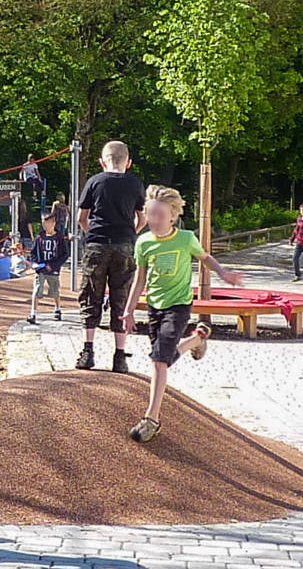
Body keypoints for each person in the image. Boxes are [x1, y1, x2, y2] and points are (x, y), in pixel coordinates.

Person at [122, 185, 244, 442]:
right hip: (154, 307)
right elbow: (140, 278)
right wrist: (129, 310)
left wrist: (223, 274)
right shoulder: (143, 242)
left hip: (178, 306)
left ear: (172, 216)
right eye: (150, 214)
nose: (154, 220)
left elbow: (205, 257)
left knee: (158, 360)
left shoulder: (186, 238)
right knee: (162, 358)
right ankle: (197, 339)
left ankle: (151, 418)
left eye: (160, 215)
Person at [76, 140, 146, 373]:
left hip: (96, 244)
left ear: (102, 162)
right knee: (121, 296)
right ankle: (119, 356)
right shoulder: (135, 183)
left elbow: (81, 218)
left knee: (90, 295)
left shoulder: (94, 181)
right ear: (128, 162)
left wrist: (92, 234)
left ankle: (88, 351)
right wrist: (130, 234)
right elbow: (142, 218)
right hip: (124, 245)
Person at [28, 212, 70, 324]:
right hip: (41, 269)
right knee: (37, 289)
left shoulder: (59, 238)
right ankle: (33, 313)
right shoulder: (39, 238)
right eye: (43, 223)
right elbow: (33, 253)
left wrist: (54, 266)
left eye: (48, 223)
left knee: (55, 290)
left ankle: (57, 308)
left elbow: (65, 254)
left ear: (53, 223)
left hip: (53, 269)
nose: (45, 225)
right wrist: (35, 263)